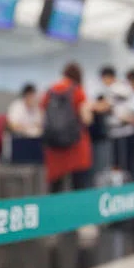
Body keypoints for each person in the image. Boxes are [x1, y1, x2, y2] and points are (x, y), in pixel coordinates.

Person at [42, 62, 93, 193]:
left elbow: (43, 115)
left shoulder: (50, 91)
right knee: (79, 187)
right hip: (76, 145)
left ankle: (54, 207)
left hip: (54, 146)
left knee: (55, 187)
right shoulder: (78, 91)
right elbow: (86, 119)